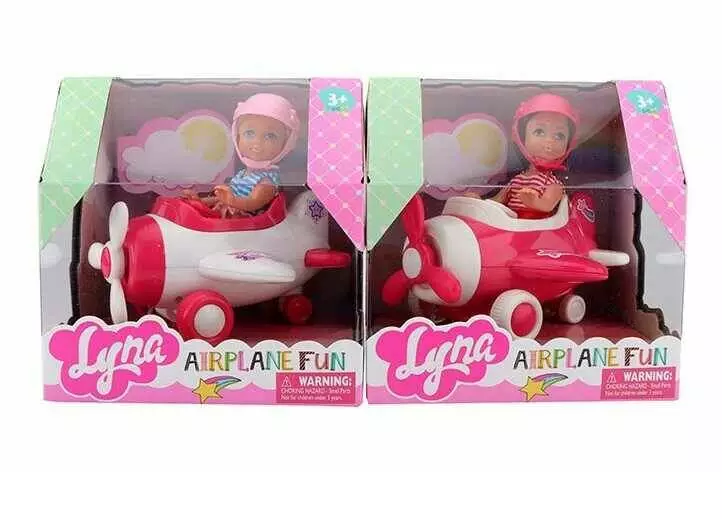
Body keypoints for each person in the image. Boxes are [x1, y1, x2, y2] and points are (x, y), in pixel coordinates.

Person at [183, 93, 300, 217]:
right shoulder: (242, 174)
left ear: (286, 143)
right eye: (249, 133)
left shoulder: (267, 180)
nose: (257, 142)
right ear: (237, 136)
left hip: (248, 223)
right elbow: (222, 199)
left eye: (270, 136)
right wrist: (200, 201)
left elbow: (253, 202)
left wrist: (233, 201)